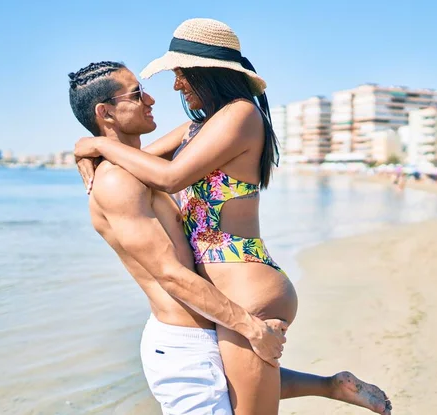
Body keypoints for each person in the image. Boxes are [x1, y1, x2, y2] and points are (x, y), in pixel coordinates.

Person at [73, 19, 391, 415]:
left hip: (248, 288)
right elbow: (133, 166)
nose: (175, 87)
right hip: (229, 292)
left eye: (180, 75)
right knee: (237, 391)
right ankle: (334, 385)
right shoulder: (198, 128)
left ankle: (334, 386)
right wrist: (90, 149)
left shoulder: (240, 115)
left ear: (203, 71)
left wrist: (92, 143)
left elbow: (168, 177)